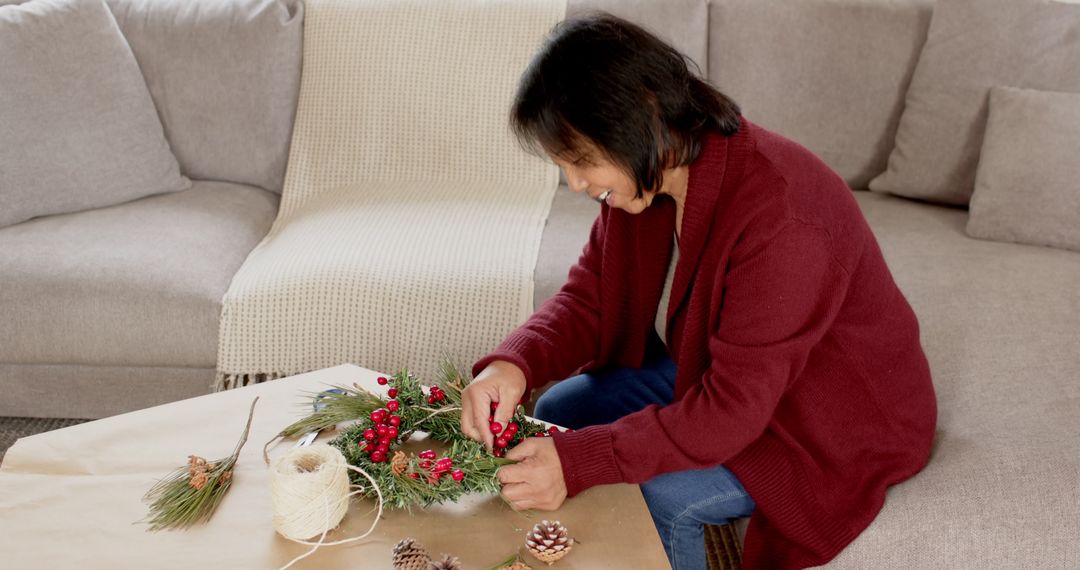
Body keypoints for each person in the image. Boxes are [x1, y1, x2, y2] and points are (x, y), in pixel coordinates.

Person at [459, 14, 937, 570]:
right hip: (722, 371)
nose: (576, 184)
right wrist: (512, 365)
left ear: (646, 117)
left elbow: (730, 413)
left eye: (583, 161)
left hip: (823, 424)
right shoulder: (650, 179)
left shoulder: (785, 223)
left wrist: (581, 462)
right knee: (565, 407)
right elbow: (590, 296)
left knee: (657, 494)